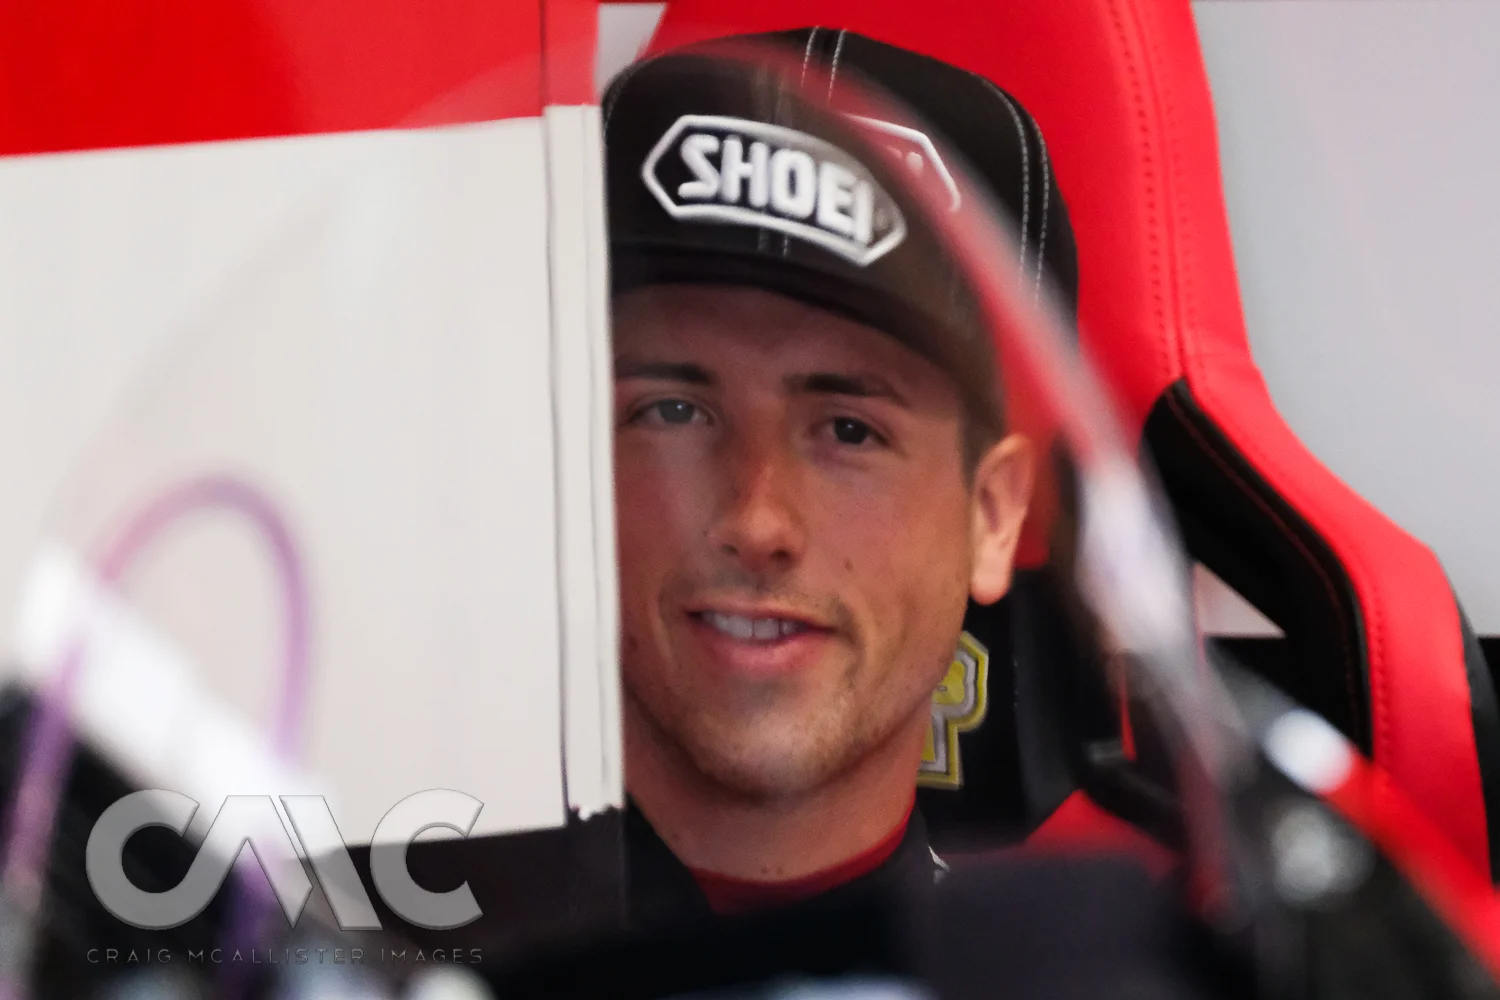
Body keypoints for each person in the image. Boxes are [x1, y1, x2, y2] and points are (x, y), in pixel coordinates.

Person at [600, 26, 1077, 918]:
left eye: (851, 430)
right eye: (674, 412)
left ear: (993, 515)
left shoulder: (1086, 967)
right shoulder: (345, 944)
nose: (756, 521)